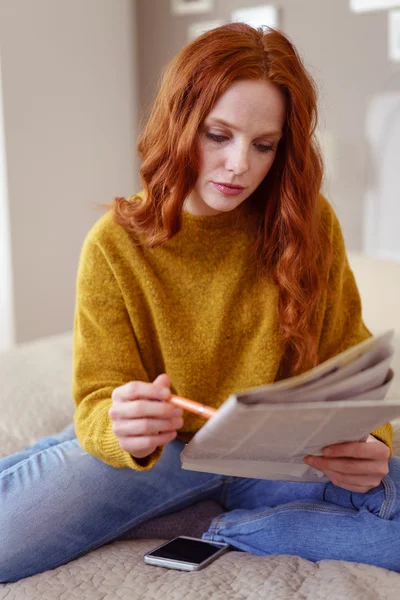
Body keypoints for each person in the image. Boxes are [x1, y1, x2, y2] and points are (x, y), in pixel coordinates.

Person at [1, 23, 399, 583]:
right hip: (162, 458)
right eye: (219, 135)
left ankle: (232, 530)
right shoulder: (116, 243)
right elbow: (97, 396)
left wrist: (371, 442)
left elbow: (347, 355)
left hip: (278, 464)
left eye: (264, 145)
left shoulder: (308, 227)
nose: (240, 164)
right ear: (180, 124)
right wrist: (119, 429)